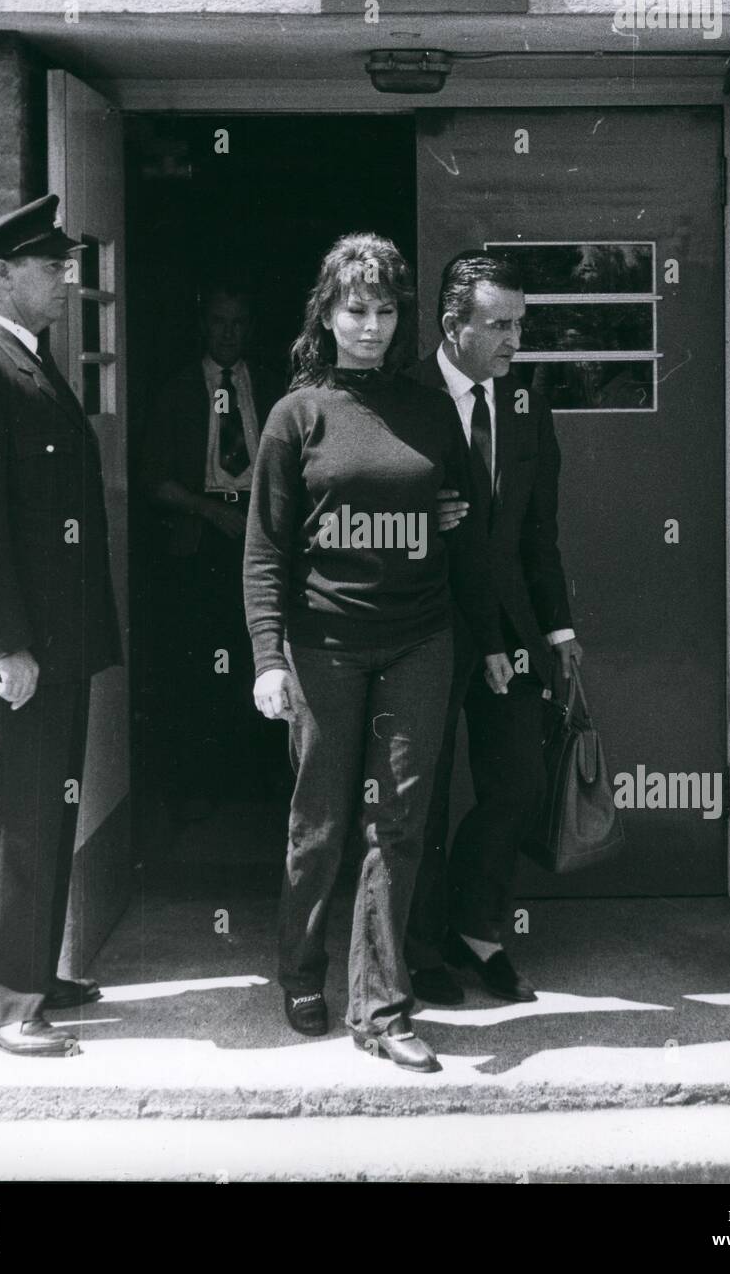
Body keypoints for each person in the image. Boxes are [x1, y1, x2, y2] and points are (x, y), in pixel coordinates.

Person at [244, 233, 509, 1073]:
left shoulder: (428, 407)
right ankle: (300, 969)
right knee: (320, 822)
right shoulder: (297, 415)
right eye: (355, 309)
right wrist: (267, 657)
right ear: (326, 313)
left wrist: (491, 635)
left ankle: (383, 1006)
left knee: (397, 825)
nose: (370, 326)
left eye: (386, 310)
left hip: (421, 640)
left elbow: (460, 517)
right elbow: (264, 550)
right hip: (322, 645)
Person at [0, 193, 122, 1058]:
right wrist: (5, 645)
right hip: (14, 650)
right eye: (52, 267)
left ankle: (31, 974)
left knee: (42, 814)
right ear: (2, 274)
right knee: (6, 820)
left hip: (52, 643)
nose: (67, 280)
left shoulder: (29, 360)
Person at [405, 253, 580, 1005]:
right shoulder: (403, 397)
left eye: (520, 324)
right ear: (454, 326)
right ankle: (416, 952)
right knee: (424, 791)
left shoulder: (525, 407)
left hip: (509, 630)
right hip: (425, 623)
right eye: (501, 325)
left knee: (517, 780)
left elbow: (539, 533)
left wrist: (560, 633)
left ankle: (475, 927)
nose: (516, 341)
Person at [141, 283, 283, 813]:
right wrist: (211, 509)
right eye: (220, 321)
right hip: (200, 543)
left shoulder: (272, 387)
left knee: (263, 657)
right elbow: (152, 480)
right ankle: (205, 789)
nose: (229, 333)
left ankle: (263, 785)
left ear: (251, 327)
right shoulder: (177, 390)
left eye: (239, 322)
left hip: (261, 538)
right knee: (204, 662)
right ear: (204, 325)